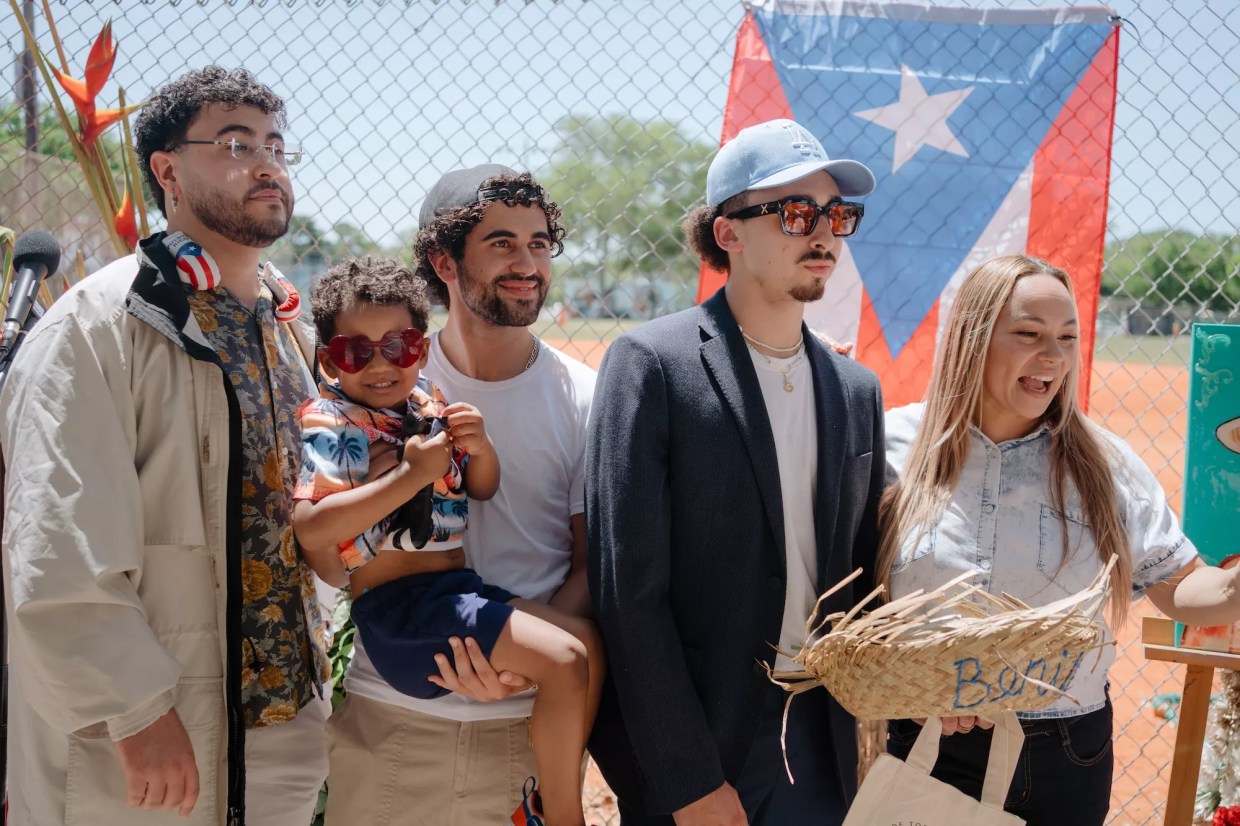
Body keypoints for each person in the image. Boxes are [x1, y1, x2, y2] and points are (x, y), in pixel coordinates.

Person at [0, 67, 331, 825]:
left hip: (283, 721)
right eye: (237, 142)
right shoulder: (98, 327)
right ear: (167, 169)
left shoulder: (289, 327)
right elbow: (56, 543)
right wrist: (136, 712)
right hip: (159, 735)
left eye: (277, 144)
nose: (268, 162)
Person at [586, 117, 884, 826]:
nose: (823, 234)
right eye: (796, 213)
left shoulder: (856, 389)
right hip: (703, 739)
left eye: (837, 215)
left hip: (821, 734)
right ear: (728, 232)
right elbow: (628, 591)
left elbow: (864, 571)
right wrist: (686, 778)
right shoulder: (651, 365)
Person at [880, 253, 1240, 826]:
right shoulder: (890, 446)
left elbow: (1183, 590)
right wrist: (905, 679)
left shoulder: (1105, 463)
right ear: (974, 339)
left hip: (1068, 751)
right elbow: (838, 604)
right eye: (1028, 333)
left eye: (1068, 337)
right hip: (926, 742)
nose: (1053, 355)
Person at [319, 165, 601, 826]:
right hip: (396, 722)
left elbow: (592, 566)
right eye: (501, 243)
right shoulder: (384, 381)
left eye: (539, 243)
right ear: (443, 260)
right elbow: (329, 549)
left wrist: (518, 671)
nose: (527, 262)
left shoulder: (589, 397)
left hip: (527, 729)